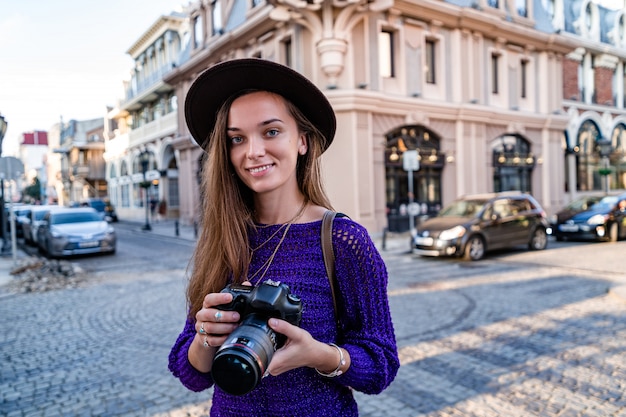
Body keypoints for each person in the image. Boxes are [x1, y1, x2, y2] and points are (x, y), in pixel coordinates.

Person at [168, 58, 399, 416]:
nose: (253, 151)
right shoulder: (222, 240)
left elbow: (381, 366)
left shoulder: (343, 240)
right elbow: (191, 374)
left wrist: (319, 354)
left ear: (302, 141)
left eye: (271, 131)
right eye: (236, 139)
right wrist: (205, 337)